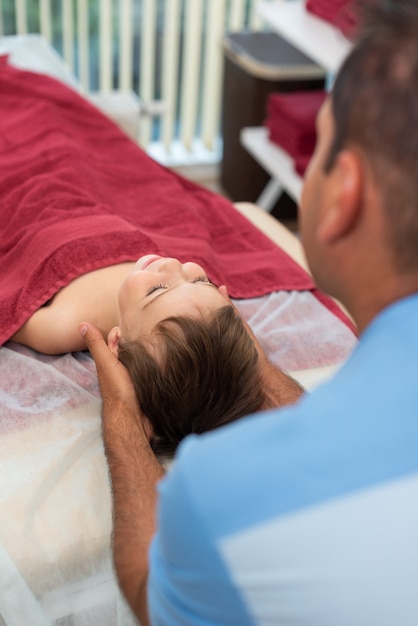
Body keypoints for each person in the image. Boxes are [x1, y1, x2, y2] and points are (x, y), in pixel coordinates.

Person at [81, 0, 418, 622]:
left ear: (343, 195)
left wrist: (125, 417)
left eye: (317, 148)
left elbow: (147, 589)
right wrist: (224, 336)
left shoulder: (216, 498)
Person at [11, 253, 303, 457]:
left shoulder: (65, 324)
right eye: (202, 282)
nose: (175, 265)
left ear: (117, 344)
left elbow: (10, 315)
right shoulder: (167, 283)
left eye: (156, 290)